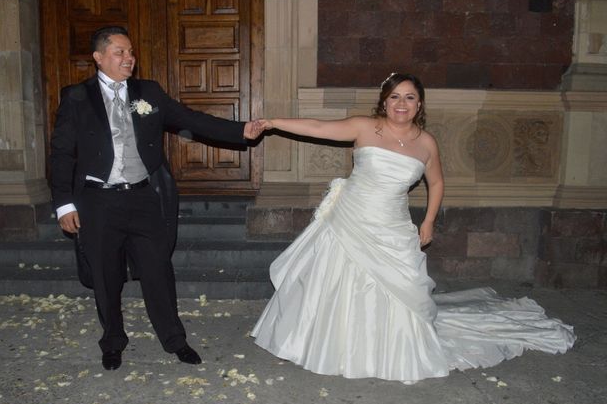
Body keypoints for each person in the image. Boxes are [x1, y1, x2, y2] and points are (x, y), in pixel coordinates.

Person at [245, 72, 575, 383]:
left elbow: (438, 182)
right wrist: (271, 123)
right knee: (333, 280)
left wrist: (429, 220)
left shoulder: (426, 142)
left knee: (400, 289)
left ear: (419, 104)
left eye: (410, 97)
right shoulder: (365, 127)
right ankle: (327, 341)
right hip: (350, 218)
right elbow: (317, 126)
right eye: (394, 97)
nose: (401, 104)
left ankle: (387, 345)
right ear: (384, 102)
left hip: (392, 225)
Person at [50, 25, 254, 371]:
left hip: (143, 197)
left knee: (158, 271)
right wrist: (64, 203)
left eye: (130, 52)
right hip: (98, 201)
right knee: (105, 276)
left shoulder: (148, 93)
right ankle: (113, 341)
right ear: (99, 58)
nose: (129, 58)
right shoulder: (76, 97)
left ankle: (175, 340)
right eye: (120, 52)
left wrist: (241, 130)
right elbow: (61, 153)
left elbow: (191, 119)